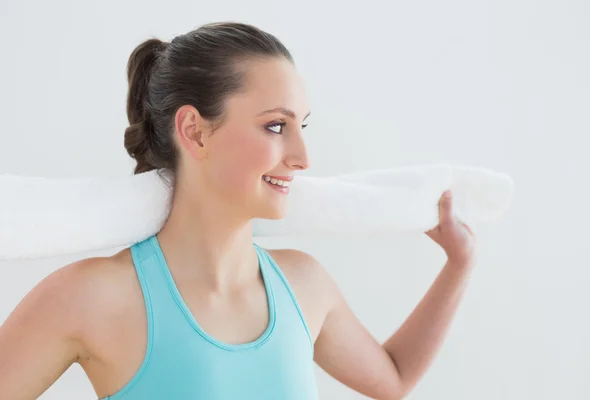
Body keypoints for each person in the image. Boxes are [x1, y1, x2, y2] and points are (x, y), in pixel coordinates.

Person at [0, 22, 477, 400]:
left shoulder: (304, 285)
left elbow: (391, 381)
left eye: (301, 125)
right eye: (275, 126)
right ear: (195, 131)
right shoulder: (89, 297)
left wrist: (460, 264)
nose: (303, 157)